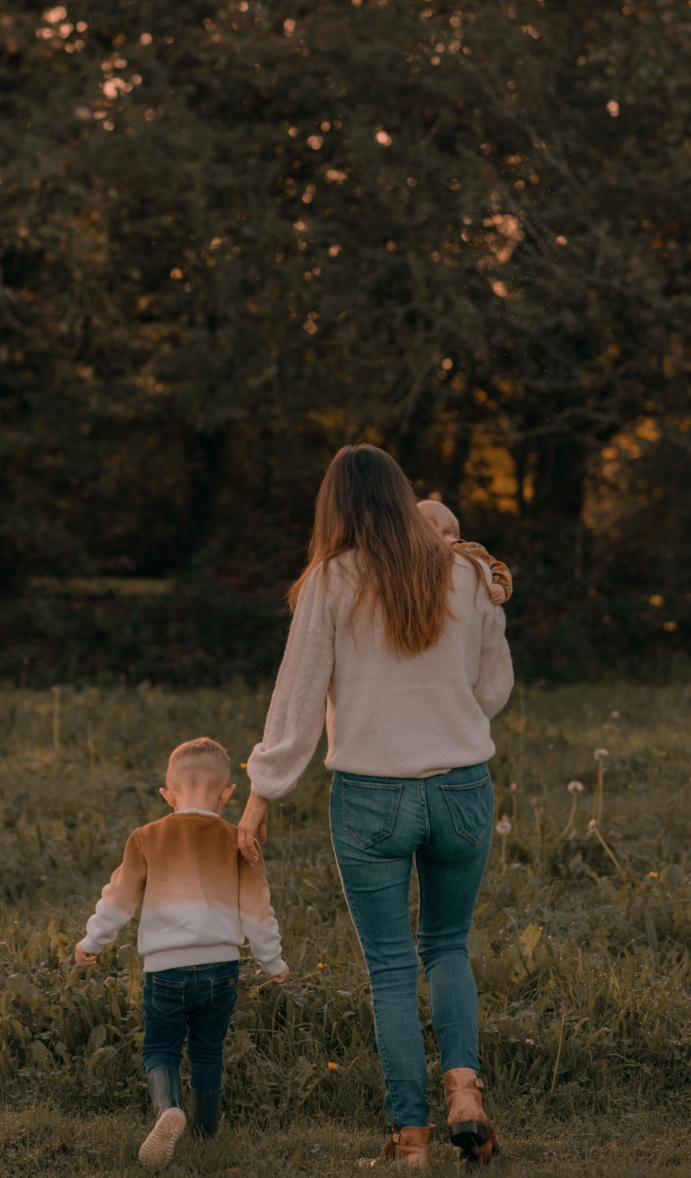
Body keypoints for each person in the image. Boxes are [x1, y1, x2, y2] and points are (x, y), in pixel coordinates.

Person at [238, 445, 513, 1169]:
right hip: (462, 789)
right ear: (401, 495)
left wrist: (262, 793)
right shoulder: (469, 572)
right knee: (448, 947)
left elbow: (297, 698)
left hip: (371, 797)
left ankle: (410, 1140)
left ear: (337, 508)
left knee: (391, 969)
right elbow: (491, 694)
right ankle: (464, 1091)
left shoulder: (330, 581)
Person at [75, 736, 289, 1171]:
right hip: (221, 968)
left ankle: (167, 1107)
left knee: (160, 1049)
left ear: (167, 795)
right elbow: (258, 911)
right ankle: (206, 1136)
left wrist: (91, 942)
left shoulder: (145, 838)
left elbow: (118, 900)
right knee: (209, 1051)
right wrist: (273, 962)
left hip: (165, 970)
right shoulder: (239, 840)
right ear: (228, 793)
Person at [417, 498, 513, 607]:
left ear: (433, 527)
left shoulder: (466, 549)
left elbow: (497, 567)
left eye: (418, 528)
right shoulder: (428, 557)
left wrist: (501, 587)